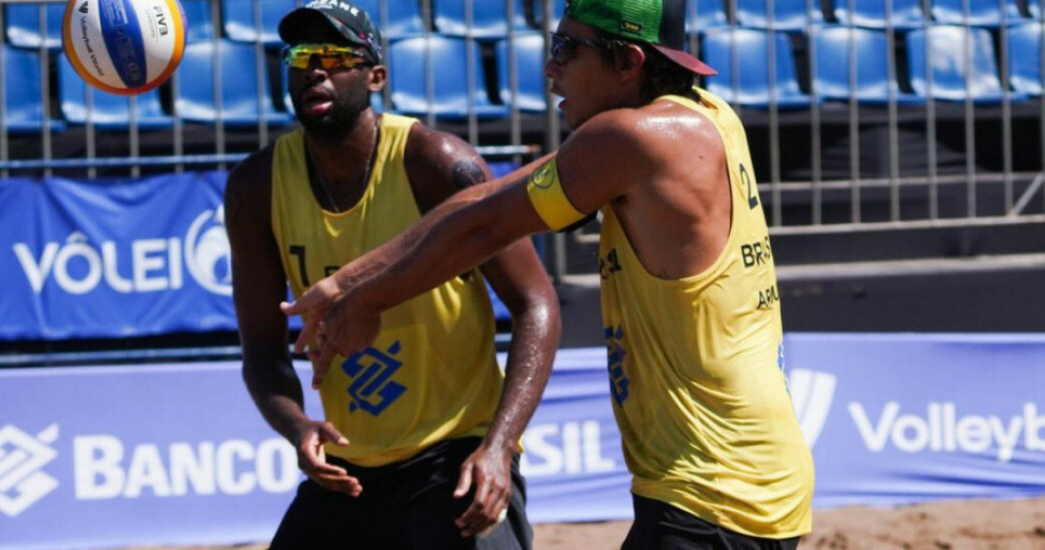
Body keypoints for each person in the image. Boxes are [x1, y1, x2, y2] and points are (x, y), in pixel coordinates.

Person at [282, 0, 815, 548]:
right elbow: (486, 199)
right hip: (748, 473)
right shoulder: (701, 115)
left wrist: (367, 302)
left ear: (629, 61)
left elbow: (482, 231)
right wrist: (345, 282)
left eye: (567, 49)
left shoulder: (633, 139)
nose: (550, 68)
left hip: (711, 486)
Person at [224, 2, 560, 548]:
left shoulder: (435, 162)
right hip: (348, 469)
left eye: (335, 56)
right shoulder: (255, 187)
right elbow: (262, 350)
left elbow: (536, 304)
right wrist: (299, 428)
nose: (315, 69)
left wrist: (499, 446)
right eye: (302, 56)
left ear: (376, 76)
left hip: (453, 455)